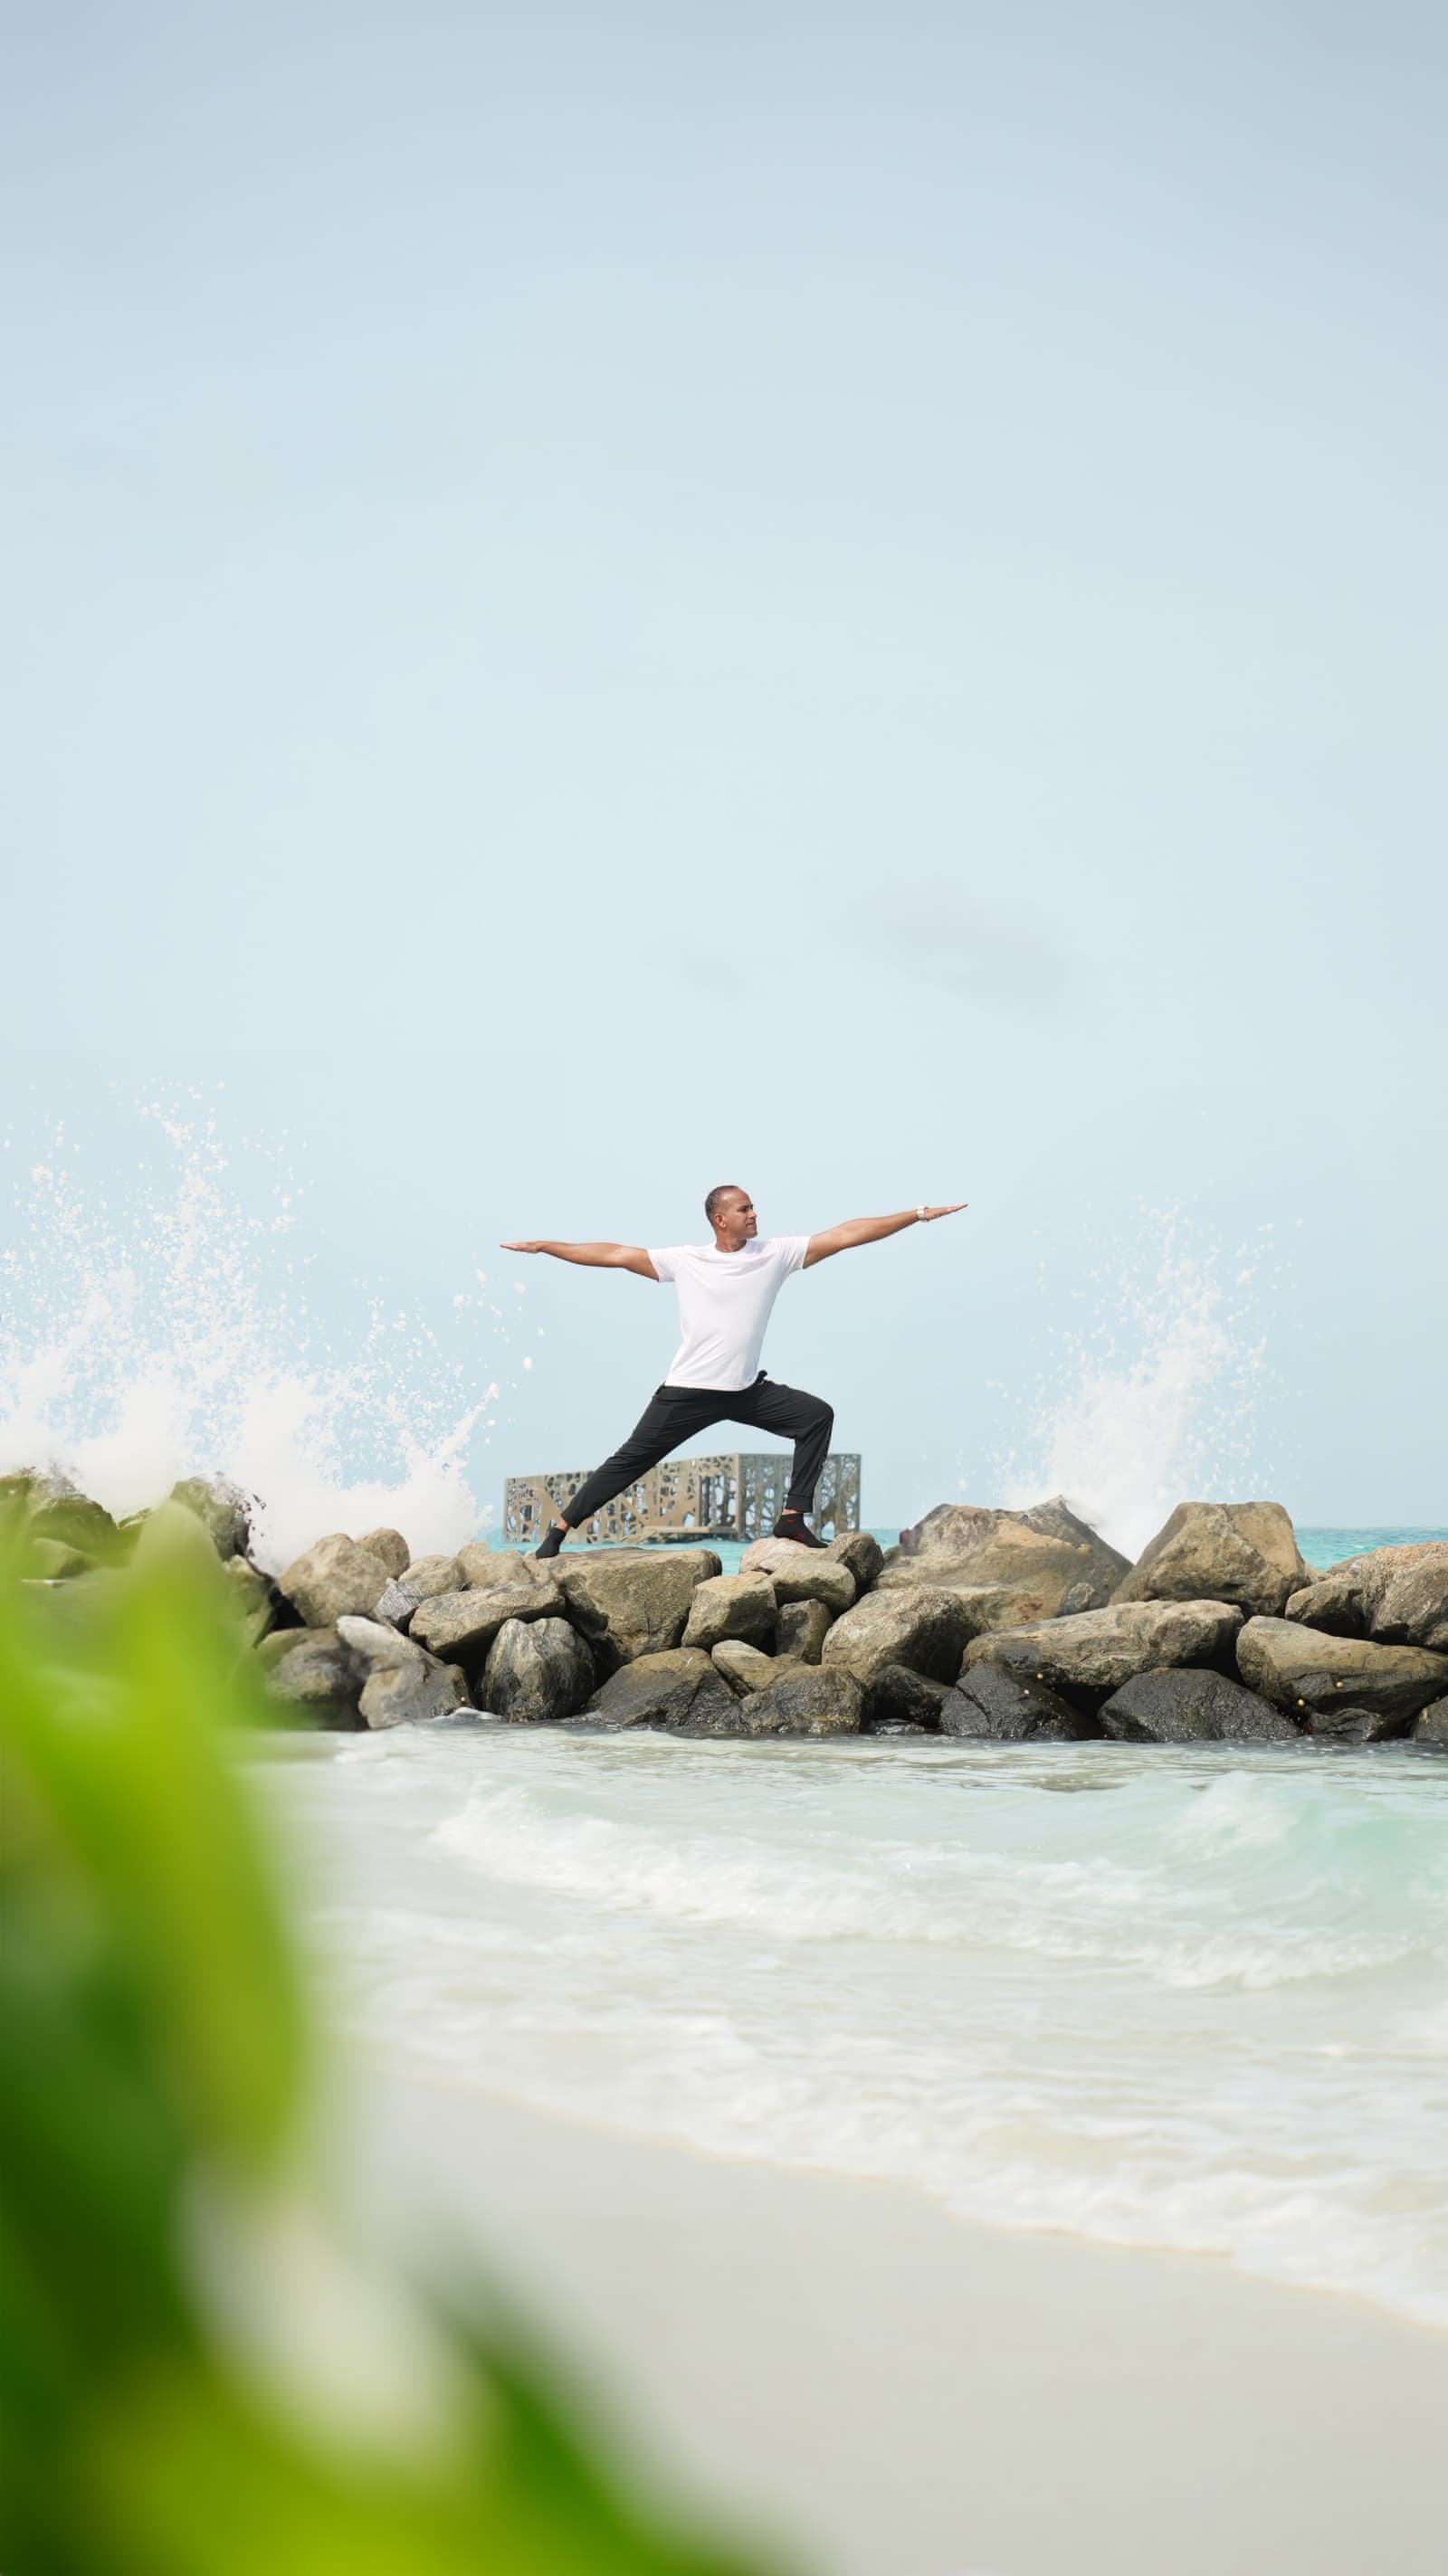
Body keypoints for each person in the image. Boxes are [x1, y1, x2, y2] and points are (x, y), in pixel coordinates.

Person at [500, 1187, 967, 1558]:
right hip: (687, 1392)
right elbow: (615, 1254)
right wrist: (545, 1247)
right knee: (628, 1463)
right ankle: (558, 1532)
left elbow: (846, 1234)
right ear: (720, 1219)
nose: (754, 1214)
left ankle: (791, 1518)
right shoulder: (686, 1260)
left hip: (744, 1391)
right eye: (744, 1209)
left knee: (816, 1416)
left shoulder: (776, 1254)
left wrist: (917, 1214)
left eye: (753, 1207)